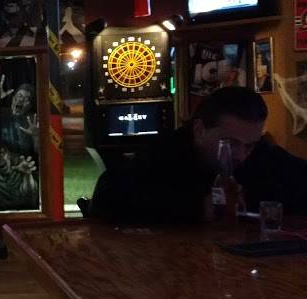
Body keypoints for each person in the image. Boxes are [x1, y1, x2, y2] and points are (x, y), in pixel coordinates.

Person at [90, 86, 307, 225]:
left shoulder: (260, 153)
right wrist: (197, 208)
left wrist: (255, 198)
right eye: (229, 144)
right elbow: (106, 199)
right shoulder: (166, 152)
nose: (241, 155)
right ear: (199, 130)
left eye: (249, 146)